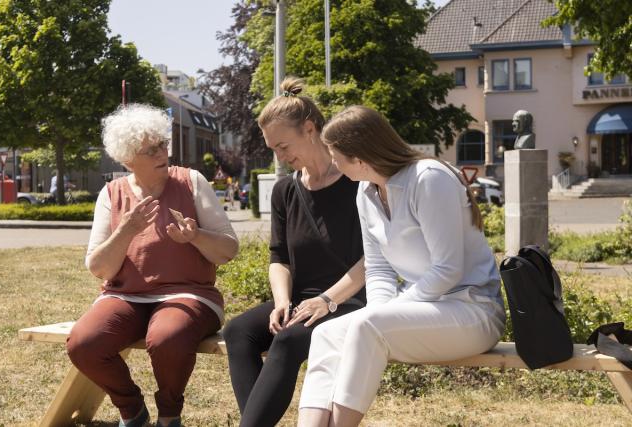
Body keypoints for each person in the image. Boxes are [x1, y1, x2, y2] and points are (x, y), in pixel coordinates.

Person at [297, 106, 506, 427]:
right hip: (420, 311)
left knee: (368, 326)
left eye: (336, 155)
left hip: (471, 309)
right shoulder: (365, 191)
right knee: (325, 334)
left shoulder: (429, 179)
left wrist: (382, 315)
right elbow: (378, 268)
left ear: (361, 157)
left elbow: (448, 269)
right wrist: (381, 312)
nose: (333, 162)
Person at [66, 104, 239, 427]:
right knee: (83, 343)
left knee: (167, 338)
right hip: (126, 297)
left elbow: (229, 250)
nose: (163, 152)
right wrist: (126, 230)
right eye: (151, 149)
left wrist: (196, 236)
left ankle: (169, 415)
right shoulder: (111, 193)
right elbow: (100, 268)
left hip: (190, 295)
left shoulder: (192, 182)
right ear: (128, 159)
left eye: (163, 144)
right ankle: (132, 410)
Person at [222, 78, 367, 427]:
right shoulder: (285, 189)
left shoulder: (356, 182)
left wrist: (328, 301)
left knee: (287, 340)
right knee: (237, 332)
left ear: (310, 128)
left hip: (349, 302)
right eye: (274, 149)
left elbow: (374, 259)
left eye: (284, 146)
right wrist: (282, 300)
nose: (281, 157)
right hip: (301, 301)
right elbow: (278, 257)